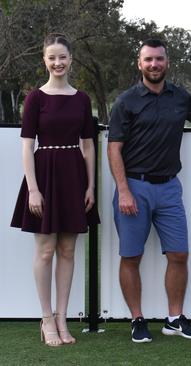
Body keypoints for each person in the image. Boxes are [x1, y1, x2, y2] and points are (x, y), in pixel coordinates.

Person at [107, 39, 191, 343]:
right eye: (148, 60)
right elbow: (114, 149)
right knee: (131, 256)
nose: (154, 65)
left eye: (159, 59)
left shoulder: (179, 96)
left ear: (167, 63)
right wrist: (124, 190)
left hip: (169, 188)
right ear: (139, 64)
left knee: (179, 255)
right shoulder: (126, 101)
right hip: (134, 186)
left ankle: (174, 319)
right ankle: (137, 320)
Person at [11, 33, 99, 347]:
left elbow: (88, 146)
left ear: (71, 59)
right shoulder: (35, 98)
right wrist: (33, 190)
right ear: (45, 61)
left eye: (62, 57)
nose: (58, 63)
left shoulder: (82, 98)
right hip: (44, 177)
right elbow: (26, 146)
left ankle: (62, 318)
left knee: (68, 250)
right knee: (45, 251)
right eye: (52, 57)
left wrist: (91, 186)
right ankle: (46, 318)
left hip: (74, 176)